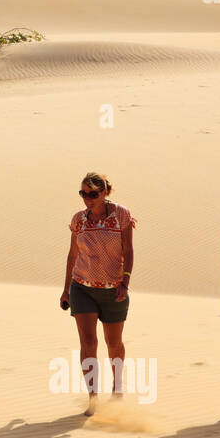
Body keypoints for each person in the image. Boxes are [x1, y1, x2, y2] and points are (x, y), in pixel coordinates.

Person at [61, 172, 135, 415]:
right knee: (88, 343)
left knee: (113, 344)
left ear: (105, 193)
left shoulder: (121, 215)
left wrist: (125, 281)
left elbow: (129, 249)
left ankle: (118, 389)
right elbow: (73, 255)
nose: (88, 199)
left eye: (93, 194)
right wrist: (65, 291)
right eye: (84, 194)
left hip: (113, 289)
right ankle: (93, 397)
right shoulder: (78, 220)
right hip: (82, 287)